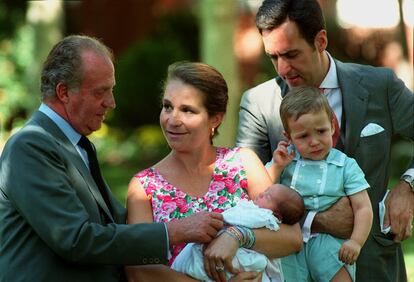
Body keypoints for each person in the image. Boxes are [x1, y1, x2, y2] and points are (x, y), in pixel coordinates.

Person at [0, 35, 226, 281]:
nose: (112, 102)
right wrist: (173, 232)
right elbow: (76, 240)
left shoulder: (78, 145)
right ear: (64, 91)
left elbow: (114, 227)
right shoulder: (31, 145)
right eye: (101, 92)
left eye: (111, 90)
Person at [235, 1, 414, 281]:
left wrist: (408, 186)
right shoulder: (257, 104)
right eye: (273, 57)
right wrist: (314, 219)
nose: (282, 68)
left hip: (373, 264)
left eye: (291, 54)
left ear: (320, 40)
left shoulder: (380, 85)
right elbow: (244, 192)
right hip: (293, 267)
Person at [126, 61, 303, 282]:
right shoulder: (144, 186)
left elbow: (292, 238)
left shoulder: (243, 162)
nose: (172, 119)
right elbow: (138, 271)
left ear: (215, 118)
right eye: (167, 106)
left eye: (187, 110)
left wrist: (237, 236)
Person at [268, 87, 372, 281]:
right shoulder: (284, 161)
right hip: (290, 243)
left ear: (333, 126)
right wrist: (276, 167)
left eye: (321, 131)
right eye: (303, 136)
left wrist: (356, 242)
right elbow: (263, 192)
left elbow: (363, 207)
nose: (314, 141)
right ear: (288, 137)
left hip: (332, 244)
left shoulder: (345, 165)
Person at [171, 183, 305, 282]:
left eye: (268, 196)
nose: (261, 194)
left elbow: (295, 240)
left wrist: (234, 232)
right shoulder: (150, 182)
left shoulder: (266, 216)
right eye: (265, 191)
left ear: (277, 215)